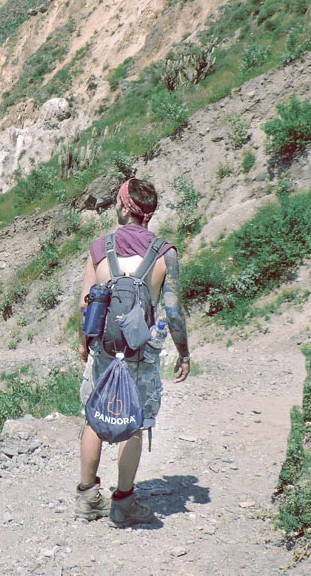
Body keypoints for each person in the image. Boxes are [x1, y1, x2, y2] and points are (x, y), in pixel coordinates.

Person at [74, 177, 192, 527]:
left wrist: (83, 344)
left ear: (124, 208)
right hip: (140, 355)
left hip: (104, 351)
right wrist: (183, 353)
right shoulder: (165, 253)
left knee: (94, 419)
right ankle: (123, 503)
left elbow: (84, 305)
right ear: (149, 215)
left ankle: (87, 498)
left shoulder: (100, 248)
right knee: (136, 423)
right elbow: (173, 311)